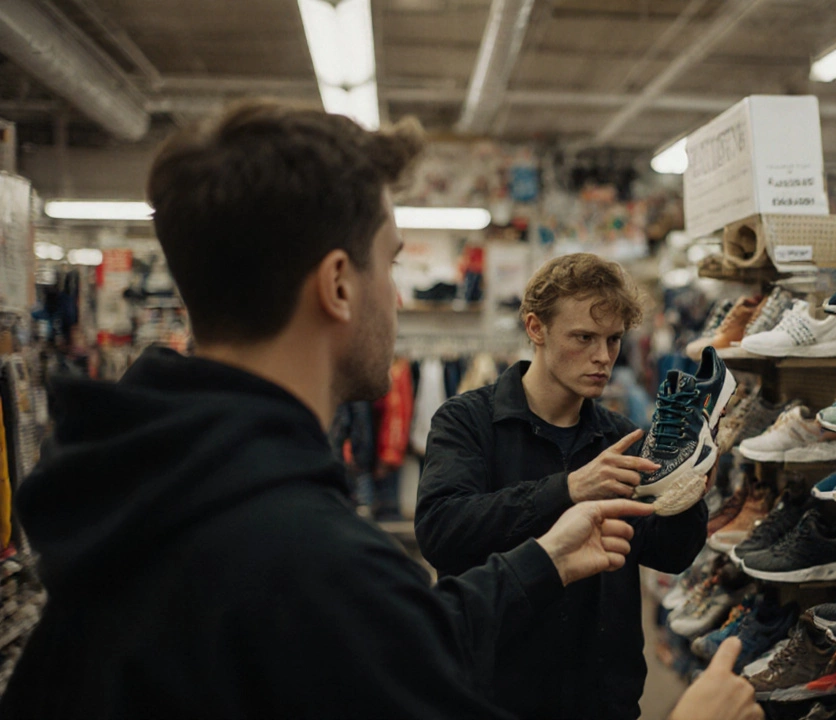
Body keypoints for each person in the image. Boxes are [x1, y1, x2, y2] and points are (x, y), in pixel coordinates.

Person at [0, 101, 760, 720]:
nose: (397, 299)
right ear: (338, 284)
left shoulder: (137, 500)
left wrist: (543, 558)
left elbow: (382, 639)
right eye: (389, 263)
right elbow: (372, 612)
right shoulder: (307, 560)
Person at [417, 253, 714, 719]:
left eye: (614, 340)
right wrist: (568, 489)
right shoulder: (467, 421)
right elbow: (441, 530)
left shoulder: (620, 436)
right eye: (584, 337)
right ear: (536, 328)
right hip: (494, 697)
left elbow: (669, 553)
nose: (603, 357)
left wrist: (690, 490)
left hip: (603, 701)